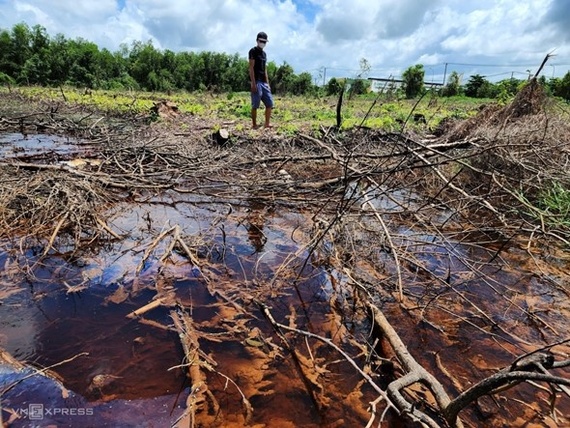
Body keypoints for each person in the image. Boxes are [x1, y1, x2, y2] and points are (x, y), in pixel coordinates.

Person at [248, 31, 274, 129]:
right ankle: (254, 124)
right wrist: (253, 83)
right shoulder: (252, 51)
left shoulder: (264, 54)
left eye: (264, 42)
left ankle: (267, 123)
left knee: (269, 103)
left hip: (263, 82)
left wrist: (268, 83)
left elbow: (265, 69)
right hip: (256, 82)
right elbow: (251, 68)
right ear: (257, 40)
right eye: (261, 41)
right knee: (255, 104)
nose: (262, 43)